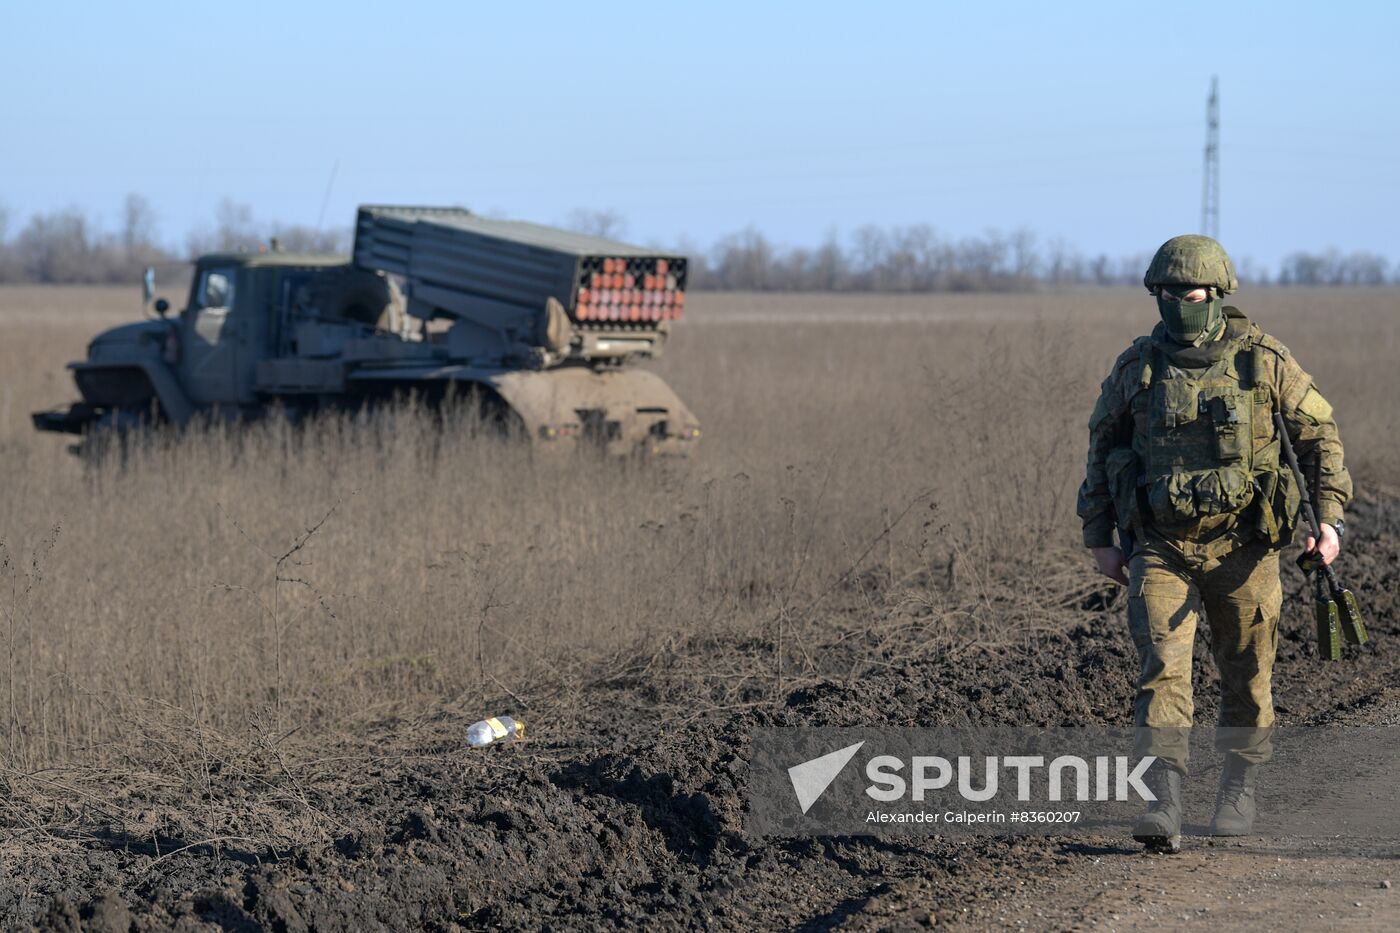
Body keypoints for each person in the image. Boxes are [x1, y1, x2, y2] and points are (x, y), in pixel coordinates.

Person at [1076, 235, 1350, 852]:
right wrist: (1099, 535)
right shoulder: (1137, 367)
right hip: (1159, 546)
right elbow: (1101, 448)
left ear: (1218, 294)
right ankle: (1162, 798)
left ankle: (1238, 785)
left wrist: (1326, 519)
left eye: (1192, 293)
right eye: (1168, 293)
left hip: (1244, 547)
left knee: (1247, 675)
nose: (1180, 303)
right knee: (1162, 675)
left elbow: (1320, 439)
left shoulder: (1264, 361)